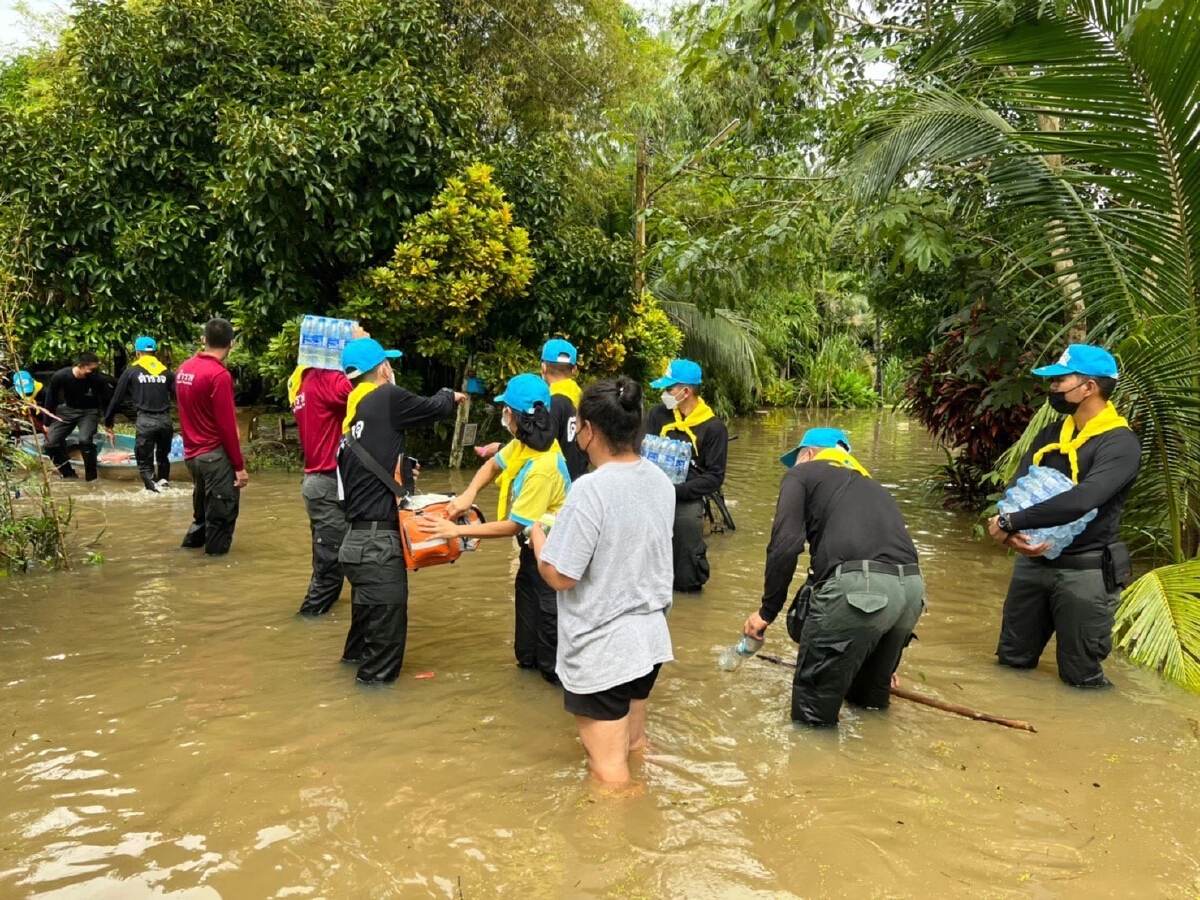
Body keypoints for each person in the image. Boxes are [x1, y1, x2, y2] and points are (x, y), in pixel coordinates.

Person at [529, 377, 675, 785]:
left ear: (589, 429)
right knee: (635, 745)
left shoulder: (590, 489)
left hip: (605, 649)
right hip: (649, 641)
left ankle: (614, 845)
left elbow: (560, 575)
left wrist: (539, 541)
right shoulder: (661, 481)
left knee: (607, 770)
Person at [742, 428, 925, 726]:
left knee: (811, 720)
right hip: (911, 595)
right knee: (870, 706)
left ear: (810, 454)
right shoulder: (874, 487)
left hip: (859, 594)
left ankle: (815, 769)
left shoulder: (801, 475)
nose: (794, 467)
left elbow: (785, 547)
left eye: (797, 459)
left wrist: (767, 611)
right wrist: (887, 659)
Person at [988, 344, 1141, 688]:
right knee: (1011, 663)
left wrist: (1010, 523)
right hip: (1033, 565)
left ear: (1089, 387)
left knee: (1081, 679)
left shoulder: (1120, 444)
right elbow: (1018, 484)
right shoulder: (1050, 435)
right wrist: (1010, 528)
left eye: (1060, 380)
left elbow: (1083, 500)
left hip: (1085, 572)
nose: (1053, 388)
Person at [427, 373, 570, 685]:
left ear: (513, 415)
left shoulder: (543, 467)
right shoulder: (523, 443)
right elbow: (493, 465)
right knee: (525, 653)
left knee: (551, 661)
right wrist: (468, 494)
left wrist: (458, 532)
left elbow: (513, 525)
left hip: (555, 559)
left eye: (506, 409)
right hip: (532, 555)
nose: (503, 415)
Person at [336, 337, 463, 684]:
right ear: (383, 368)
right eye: (389, 365)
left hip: (355, 546)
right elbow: (435, 407)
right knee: (380, 668)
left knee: (361, 649)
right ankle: (370, 725)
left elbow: (349, 494)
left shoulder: (349, 430)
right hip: (378, 550)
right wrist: (450, 395)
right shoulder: (387, 397)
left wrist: (403, 473)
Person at [644, 359, 728, 592]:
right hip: (651, 492)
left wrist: (676, 491)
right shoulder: (657, 416)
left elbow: (714, 477)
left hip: (686, 496)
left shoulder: (713, 428)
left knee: (686, 554)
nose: (665, 393)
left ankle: (687, 585)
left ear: (685, 392)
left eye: (669, 389)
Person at [289, 353, 353, 617]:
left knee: (328, 560)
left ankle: (315, 625)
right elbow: (366, 394)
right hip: (327, 481)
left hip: (320, 482)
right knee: (333, 564)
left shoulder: (302, 379)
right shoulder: (326, 378)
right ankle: (305, 623)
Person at [176, 318, 247, 556]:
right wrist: (239, 466)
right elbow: (226, 426)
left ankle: (187, 559)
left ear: (203, 340)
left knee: (202, 515)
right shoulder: (219, 375)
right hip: (214, 457)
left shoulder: (184, 369)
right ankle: (214, 573)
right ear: (232, 343)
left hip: (192, 456)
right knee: (221, 518)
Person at [104, 336, 176, 492]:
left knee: (145, 463)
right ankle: (164, 485)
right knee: (163, 458)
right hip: (166, 422)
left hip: (146, 421)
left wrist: (108, 423)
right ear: (155, 353)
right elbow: (180, 398)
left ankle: (153, 492)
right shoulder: (168, 374)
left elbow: (116, 399)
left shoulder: (131, 372)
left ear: (137, 353)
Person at [44, 351, 110, 481]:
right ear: (80, 366)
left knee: (85, 440)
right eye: (91, 369)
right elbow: (50, 399)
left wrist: (109, 424)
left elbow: (107, 401)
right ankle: (68, 473)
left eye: (96, 369)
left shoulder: (98, 379)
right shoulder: (61, 376)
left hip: (89, 412)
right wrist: (46, 423)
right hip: (67, 410)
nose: (94, 372)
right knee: (50, 444)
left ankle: (91, 478)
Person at [540, 338, 589, 481]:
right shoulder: (586, 400)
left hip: (558, 487)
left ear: (543, 367)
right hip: (582, 482)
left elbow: (540, 446)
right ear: (574, 370)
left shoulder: (549, 403)